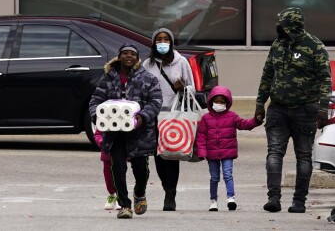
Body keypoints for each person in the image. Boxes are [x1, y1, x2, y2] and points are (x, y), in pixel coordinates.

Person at [253, 6, 332, 213]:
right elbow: (267, 75)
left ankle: (299, 201)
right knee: (274, 153)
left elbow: (325, 79)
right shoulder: (277, 45)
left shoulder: (315, 47)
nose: (282, 32)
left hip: (306, 109)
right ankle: (273, 198)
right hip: (278, 109)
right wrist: (260, 103)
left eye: (286, 28)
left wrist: (324, 108)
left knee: (304, 156)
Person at [88, 44, 163, 220]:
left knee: (140, 169)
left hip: (140, 133)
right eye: (125, 53)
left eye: (133, 54)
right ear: (119, 56)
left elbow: (155, 101)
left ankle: (139, 192)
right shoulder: (108, 78)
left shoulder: (148, 79)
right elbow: (95, 101)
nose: (129, 56)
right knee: (118, 168)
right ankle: (125, 205)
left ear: (137, 59)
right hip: (114, 133)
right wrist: (97, 118)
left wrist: (142, 118)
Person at [145, 26, 194, 211]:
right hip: (154, 116)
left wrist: (183, 88)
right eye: (159, 40)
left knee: (171, 155)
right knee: (158, 156)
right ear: (154, 43)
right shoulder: (147, 64)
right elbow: (142, 88)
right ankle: (167, 187)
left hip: (174, 116)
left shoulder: (181, 62)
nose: (163, 43)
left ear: (171, 42)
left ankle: (170, 195)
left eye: (166, 39)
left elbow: (193, 88)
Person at [195, 85, 261, 211]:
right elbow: (201, 136)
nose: (219, 104)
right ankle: (213, 200)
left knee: (227, 174)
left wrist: (255, 121)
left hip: (227, 152)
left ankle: (231, 198)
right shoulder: (206, 118)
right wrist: (202, 152)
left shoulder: (232, 116)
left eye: (222, 102)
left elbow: (243, 124)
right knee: (214, 177)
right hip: (211, 153)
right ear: (211, 102)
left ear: (227, 103)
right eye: (216, 101)